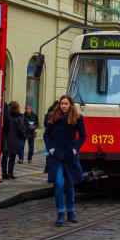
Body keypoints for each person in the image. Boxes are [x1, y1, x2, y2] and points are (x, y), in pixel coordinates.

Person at [44, 95, 87, 226]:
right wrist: (50, 148)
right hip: (56, 156)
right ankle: (60, 213)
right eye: (62, 103)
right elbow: (46, 135)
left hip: (69, 156)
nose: (63, 106)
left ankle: (71, 211)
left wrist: (75, 149)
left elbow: (83, 135)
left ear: (70, 105)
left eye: (66, 104)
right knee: (58, 184)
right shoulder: (53, 117)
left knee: (69, 185)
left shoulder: (77, 118)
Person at [4, 101, 26, 180]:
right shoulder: (19, 117)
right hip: (15, 139)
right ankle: (10, 173)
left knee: (6, 157)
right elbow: (21, 128)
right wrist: (23, 135)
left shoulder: (8, 116)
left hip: (7, 138)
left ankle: (5, 173)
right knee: (12, 158)